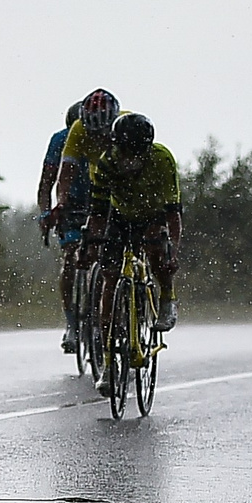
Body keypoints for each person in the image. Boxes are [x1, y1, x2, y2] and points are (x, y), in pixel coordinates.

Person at [85, 112, 183, 338]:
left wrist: (173, 251)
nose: (129, 159)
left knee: (156, 248)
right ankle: (107, 338)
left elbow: (173, 214)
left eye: (136, 153)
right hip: (120, 215)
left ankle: (167, 298)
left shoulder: (162, 159)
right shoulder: (107, 162)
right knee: (110, 274)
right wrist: (91, 243)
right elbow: (98, 212)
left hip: (153, 213)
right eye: (125, 152)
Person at [35, 100, 89, 352]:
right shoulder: (60, 140)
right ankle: (72, 324)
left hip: (103, 200)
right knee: (70, 257)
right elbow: (46, 182)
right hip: (73, 204)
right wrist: (46, 212)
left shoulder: (106, 137)